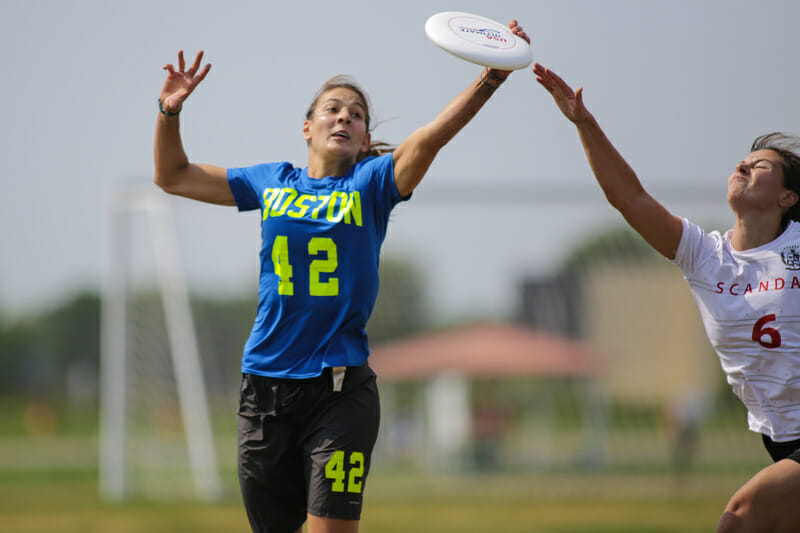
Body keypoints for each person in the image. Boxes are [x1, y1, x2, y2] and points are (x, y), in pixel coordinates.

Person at [153, 20, 529, 533]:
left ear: (365, 137)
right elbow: (172, 176)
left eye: (356, 115)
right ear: (307, 127)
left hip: (341, 390)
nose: (344, 118)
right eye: (333, 109)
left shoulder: (372, 184)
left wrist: (491, 77)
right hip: (265, 386)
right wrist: (169, 111)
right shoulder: (271, 181)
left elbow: (430, 138)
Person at [533, 62, 800, 532]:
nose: (744, 166)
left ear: (788, 199)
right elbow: (630, 199)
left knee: (740, 518)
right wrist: (584, 122)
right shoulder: (705, 255)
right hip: (779, 438)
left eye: (762, 167)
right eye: (744, 160)